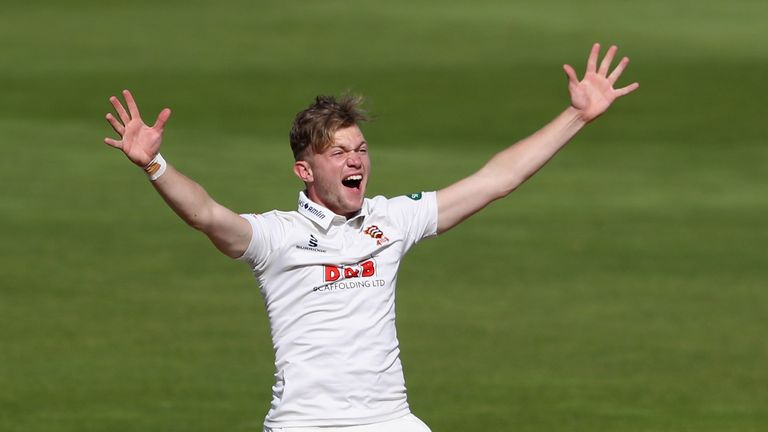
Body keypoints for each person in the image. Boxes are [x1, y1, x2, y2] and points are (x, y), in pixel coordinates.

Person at [103, 43, 638, 432]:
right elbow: (206, 215)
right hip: (306, 424)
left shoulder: (391, 220)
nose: (355, 160)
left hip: (390, 420)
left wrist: (576, 115)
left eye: (359, 150)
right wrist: (155, 165)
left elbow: (496, 180)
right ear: (304, 172)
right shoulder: (278, 237)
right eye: (337, 153)